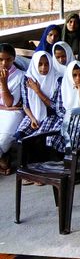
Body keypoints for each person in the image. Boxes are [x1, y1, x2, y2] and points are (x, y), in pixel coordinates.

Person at [50, 61, 80, 152]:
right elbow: (59, 109)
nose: (78, 78)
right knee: (53, 136)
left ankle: (72, 157)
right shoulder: (63, 86)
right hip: (66, 118)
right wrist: (70, 117)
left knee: (75, 137)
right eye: (74, 75)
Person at [0, 44, 23, 174]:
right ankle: (3, 159)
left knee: (4, 137)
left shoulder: (20, 76)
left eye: (8, 59)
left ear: (14, 59)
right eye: (0, 60)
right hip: (5, 109)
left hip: (13, 112)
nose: (4, 63)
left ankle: (3, 158)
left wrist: (3, 83)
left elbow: (10, 103)